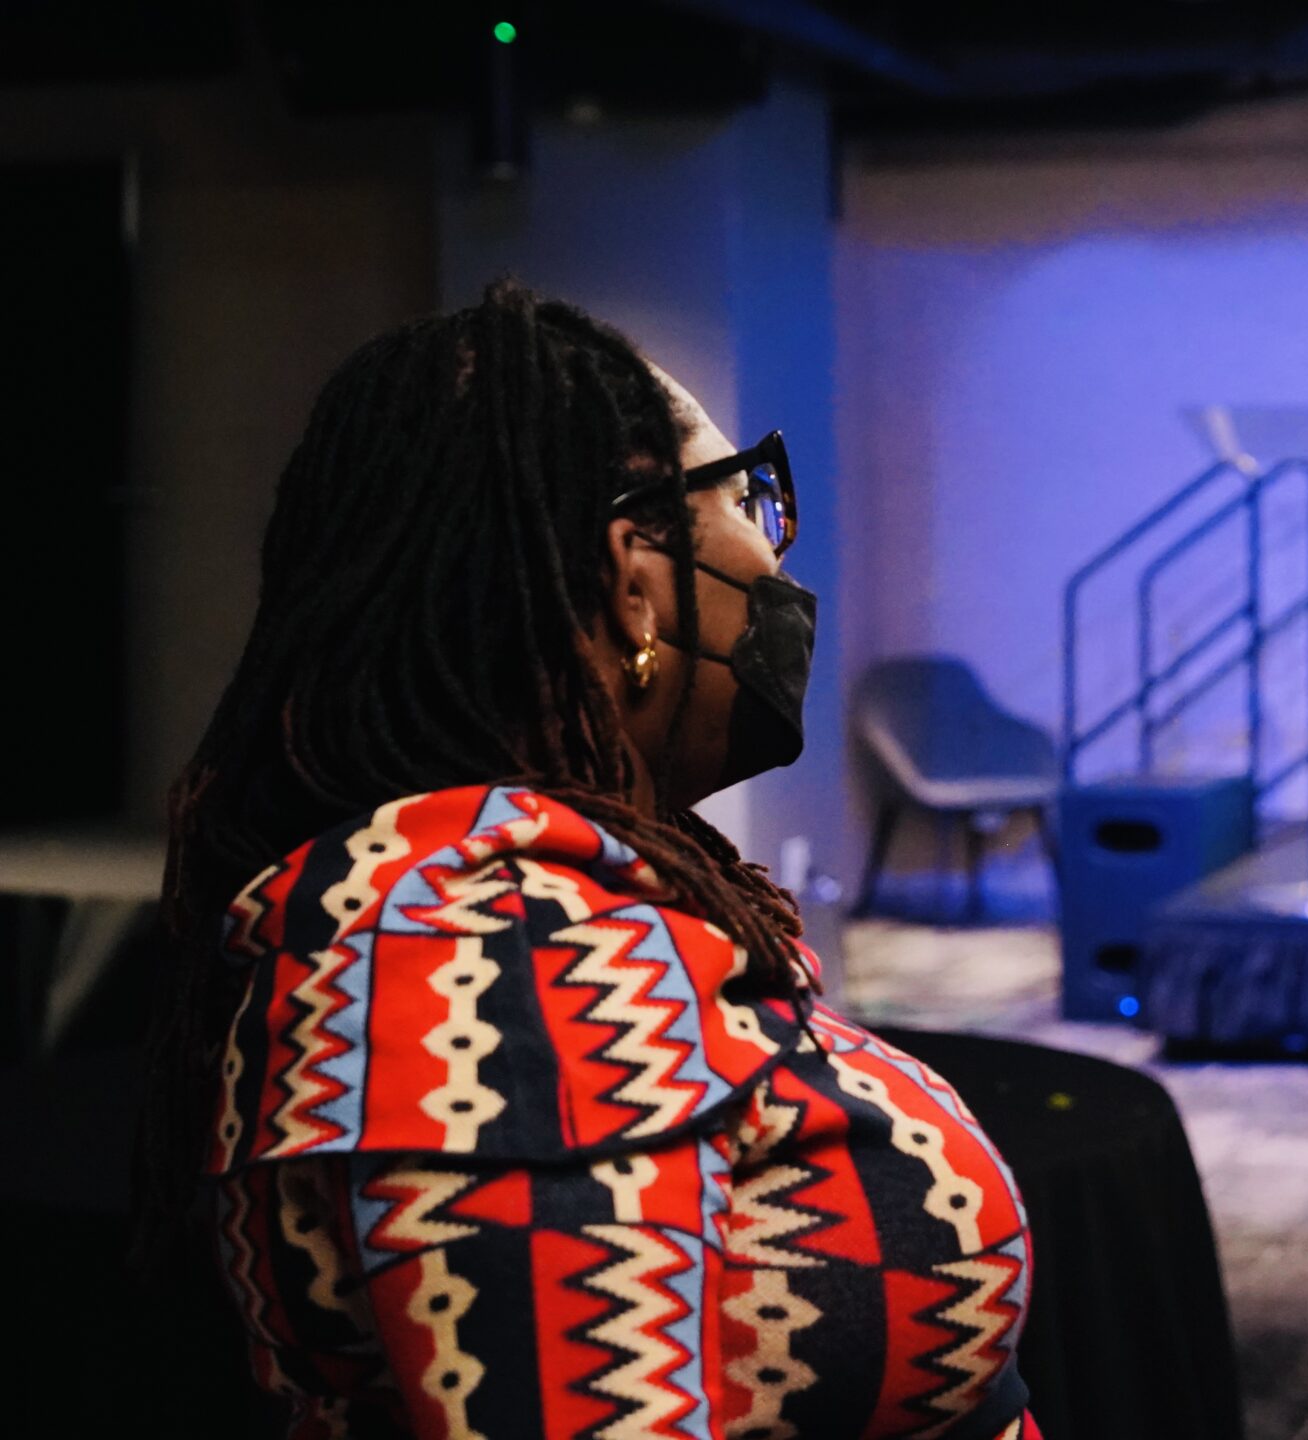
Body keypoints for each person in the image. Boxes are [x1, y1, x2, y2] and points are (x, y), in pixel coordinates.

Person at [144, 284, 1039, 1439]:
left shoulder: (540, 898)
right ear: (634, 576)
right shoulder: (481, 950)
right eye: (748, 499)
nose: (773, 552)